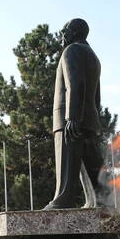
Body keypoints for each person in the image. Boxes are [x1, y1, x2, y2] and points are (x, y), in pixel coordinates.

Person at [44, 17, 104, 210]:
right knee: (93, 169)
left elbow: (74, 84)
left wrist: (72, 117)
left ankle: (63, 198)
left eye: (66, 31)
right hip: (89, 119)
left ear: (75, 32)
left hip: (70, 118)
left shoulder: (71, 51)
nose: (63, 35)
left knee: (67, 163)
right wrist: (94, 120)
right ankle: (101, 200)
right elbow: (96, 95)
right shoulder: (93, 57)